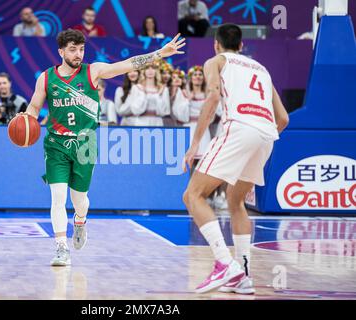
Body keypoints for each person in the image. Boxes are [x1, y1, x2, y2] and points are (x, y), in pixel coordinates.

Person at [19, 29, 185, 266]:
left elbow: (128, 64)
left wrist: (160, 53)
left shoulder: (93, 71)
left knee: (80, 200)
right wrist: (27, 119)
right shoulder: (46, 78)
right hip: (56, 144)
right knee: (57, 198)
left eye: (81, 49)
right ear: (61, 51)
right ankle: (61, 247)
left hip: (85, 143)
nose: (78, 54)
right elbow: (34, 107)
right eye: (73, 49)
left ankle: (80, 221)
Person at [182, 24, 289, 294]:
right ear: (242, 45)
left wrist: (195, 143)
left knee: (192, 196)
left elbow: (214, 96)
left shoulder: (215, 61)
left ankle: (224, 264)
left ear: (216, 44)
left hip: (239, 127)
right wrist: (258, 136)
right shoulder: (262, 70)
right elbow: (284, 118)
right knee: (235, 200)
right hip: (266, 135)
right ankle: (242, 275)